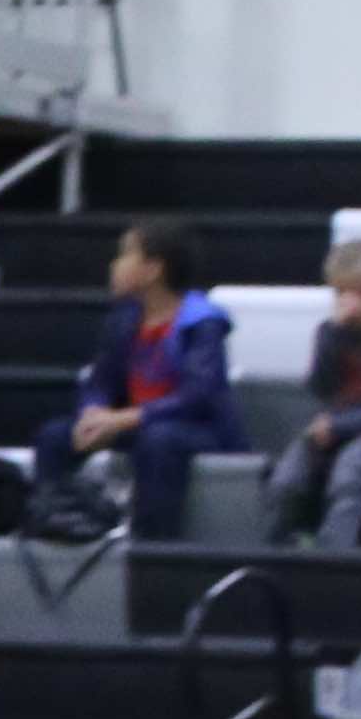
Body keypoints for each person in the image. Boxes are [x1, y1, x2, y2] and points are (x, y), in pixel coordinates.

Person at [60, 218, 239, 540]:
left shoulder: (201, 322)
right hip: (137, 423)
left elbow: (196, 397)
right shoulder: (125, 319)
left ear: (153, 269)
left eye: (125, 254)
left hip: (198, 429)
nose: (114, 265)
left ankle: (151, 547)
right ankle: (56, 526)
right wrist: (92, 412)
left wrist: (123, 419)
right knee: (56, 437)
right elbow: (100, 380)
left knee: (158, 440)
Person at [269, 237, 361, 550]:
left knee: (349, 475)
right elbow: (320, 386)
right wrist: (332, 335)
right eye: (341, 293)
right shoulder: (329, 333)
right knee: (286, 478)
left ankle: (334, 552)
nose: (351, 303)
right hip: (331, 425)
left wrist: (340, 426)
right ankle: (281, 545)